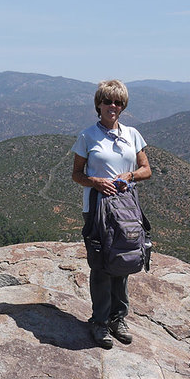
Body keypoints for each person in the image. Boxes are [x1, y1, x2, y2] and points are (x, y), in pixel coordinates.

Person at [71, 80, 151, 349]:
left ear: (123, 106)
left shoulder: (133, 135)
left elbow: (146, 170)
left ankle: (119, 318)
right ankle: (100, 321)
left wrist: (130, 175)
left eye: (118, 102)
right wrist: (96, 181)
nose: (112, 106)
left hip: (126, 207)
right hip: (96, 208)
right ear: (99, 104)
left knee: (124, 258)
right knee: (102, 264)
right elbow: (76, 175)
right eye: (108, 101)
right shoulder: (87, 136)